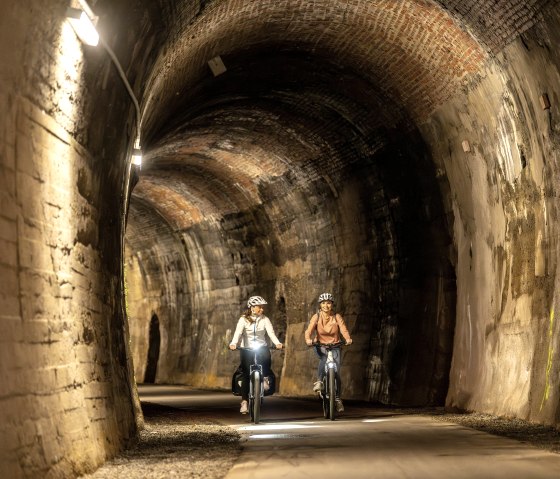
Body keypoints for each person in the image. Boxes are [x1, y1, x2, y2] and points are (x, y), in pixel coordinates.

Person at [229, 295, 283, 414]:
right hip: (246, 348)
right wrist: (233, 343)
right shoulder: (243, 319)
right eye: (260, 307)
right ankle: (244, 402)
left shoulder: (265, 319)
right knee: (246, 373)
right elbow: (238, 333)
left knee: (266, 358)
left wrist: (278, 343)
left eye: (263, 307)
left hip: (261, 347)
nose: (262, 309)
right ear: (252, 307)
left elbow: (271, 333)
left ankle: (263, 378)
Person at [305, 292, 352, 413]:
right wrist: (308, 339)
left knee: (336, 373)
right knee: (324, 359)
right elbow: (308, 330)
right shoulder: (316, 317)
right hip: (320, 345)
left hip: (335, 345)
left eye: (329, 303)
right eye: (323, 303)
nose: (326, 305)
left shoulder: (337, 316)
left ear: (332, 305)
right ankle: (320, 381)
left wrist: (347, 338)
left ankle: (337, 398)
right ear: (320, 305)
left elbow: (343, 329)